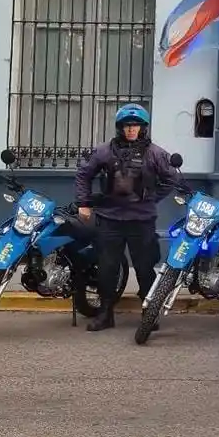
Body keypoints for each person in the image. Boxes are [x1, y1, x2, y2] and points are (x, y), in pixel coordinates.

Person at [73, 104, 178, 332]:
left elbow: (172, 178)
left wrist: (150, 198)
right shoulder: (104, 151)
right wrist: (84, 203)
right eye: (127, 125)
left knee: (144, 267)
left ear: (143, 128)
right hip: (109, 218)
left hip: (141, 220)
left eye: (136, 125)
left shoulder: (156, 153)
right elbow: (83, 173)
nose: (132, 130)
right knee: (107, 267)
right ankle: (105, 313)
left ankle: (149, 310)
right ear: (120, 127)